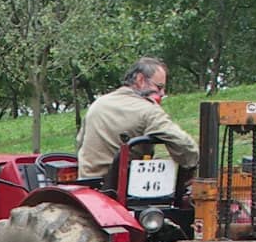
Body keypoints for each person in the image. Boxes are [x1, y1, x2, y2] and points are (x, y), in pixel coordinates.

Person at [76, 58, 199, 187]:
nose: (162, 93)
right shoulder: (147, 110)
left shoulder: (98, 104)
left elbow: (80, 144)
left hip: (89, 187)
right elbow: (184, 145)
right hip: (123, 190)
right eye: (159, 87)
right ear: (140, 80)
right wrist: (194, 163)